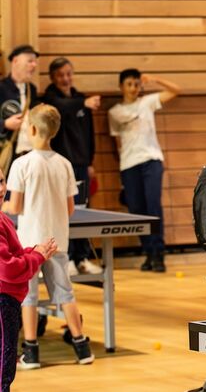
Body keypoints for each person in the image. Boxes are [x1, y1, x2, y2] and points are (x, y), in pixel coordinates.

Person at [6, 104, 95, 369]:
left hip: (30, 244)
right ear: (55, 132)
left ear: (31, 129)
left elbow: (15, 207)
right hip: (57, 241)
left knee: (29, 296)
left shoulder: (21, 164)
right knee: (66, 294)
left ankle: (31, 352)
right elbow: (70, 208)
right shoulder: (65, 164)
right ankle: (82, 347)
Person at [108, 70, 180, 273]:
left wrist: (155, 79)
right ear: (121, 86)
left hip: (151, 160)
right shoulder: (114, 112)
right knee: (137, 210)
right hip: (128, 165)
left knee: (153, 206)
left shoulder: (147, 102)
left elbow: (176, 90)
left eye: (136, 84)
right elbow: (117, 142)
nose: (133, 88)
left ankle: (158, 254)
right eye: (129, 84)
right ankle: (147, 252)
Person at [42, 57, 103, 276]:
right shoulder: (50, 100)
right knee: (62, 212)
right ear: (52, 78)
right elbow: (61, 106)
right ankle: (64, 258)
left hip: (80, 165)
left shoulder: (79, 100)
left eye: (68, 73)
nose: (65, 79)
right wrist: (83, 103)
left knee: (81, 211)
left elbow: (89, 135)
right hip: (58, 167)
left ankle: (82, 258)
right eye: (60, 75)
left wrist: (90, 162)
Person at [0, 166, 57, 390]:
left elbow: (12, 255)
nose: (1, 187)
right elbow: (8, 269)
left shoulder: (3, 219)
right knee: (5, 363)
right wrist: (36, 257)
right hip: (3, 301)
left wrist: (34, 252)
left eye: (2, 180)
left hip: (8, 301)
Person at [0, 45, 40, 164]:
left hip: (31, 154)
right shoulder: (1, 88)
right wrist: (5, 124)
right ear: (15, 61)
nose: (34, 65)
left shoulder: (31, 89)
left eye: (35, 62)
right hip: (9, 155)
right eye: (30, 61)